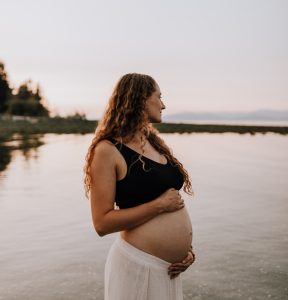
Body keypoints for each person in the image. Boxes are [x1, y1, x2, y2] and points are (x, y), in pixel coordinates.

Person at [84, 73, 195, 300]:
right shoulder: (108, 150)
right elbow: (101, 223)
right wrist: (159, 206)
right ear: (140, 99)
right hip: (137, 266)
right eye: (159, 96)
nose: (163, 104)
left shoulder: (153, 143)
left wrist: (186, 251)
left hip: (169, 270)